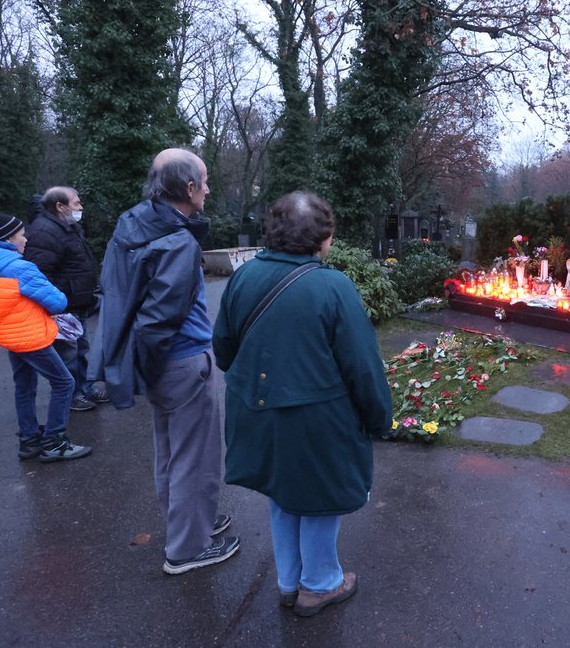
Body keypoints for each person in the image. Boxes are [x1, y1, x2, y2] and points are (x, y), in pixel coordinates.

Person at [213, 191, 392, 617]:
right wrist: (379, 418)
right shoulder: (333, 286)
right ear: (321, 236)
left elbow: (223, 349)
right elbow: (363, 367)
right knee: (320, 498)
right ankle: (320, 585)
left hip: (259, 413)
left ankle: (289, 581)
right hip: (318, 419)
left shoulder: (243, 277)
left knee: (283, 493)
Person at [96, 148, 238, 575]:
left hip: (159, 363)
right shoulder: (177, 242)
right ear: (189, 188)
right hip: (183, 361)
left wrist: (141, 366)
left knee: (172, 453)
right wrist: (156, 362)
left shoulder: (134, 222)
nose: (209, 189)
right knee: (196, 457)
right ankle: (187, 548)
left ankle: (189, 522)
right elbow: (161, 318)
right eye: (206, 181)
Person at [0, 213, 92, 462]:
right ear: (8, 237)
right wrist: (19, 308)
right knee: (64, 383)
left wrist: (2, 309)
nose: (26, 239)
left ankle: (29, 440)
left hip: (9, 336)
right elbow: (58, 301)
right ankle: (54, 441)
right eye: (21, 234)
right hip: (31, 336)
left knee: (24, 386)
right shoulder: (20, 268)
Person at [24, 187, 107, 412]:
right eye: (76, 203)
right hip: (62, 306)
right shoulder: (45, 232)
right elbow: (39, 274)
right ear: (60, 207)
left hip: (76, 303)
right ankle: (73, 396)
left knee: (80, 349)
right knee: (67, 354)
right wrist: (55, 305)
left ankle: (86, 388)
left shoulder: (68, 227)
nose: (80, 208)